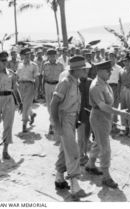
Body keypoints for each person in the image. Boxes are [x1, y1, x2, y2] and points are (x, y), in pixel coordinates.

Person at [85, 60, 130, 189]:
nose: (110, 72)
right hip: (99, 117)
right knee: (105, 148)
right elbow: (103, 106)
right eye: (108, 70)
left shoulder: (104, 83)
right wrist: (120, 113)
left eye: (110, 70)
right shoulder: (96, 86)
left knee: (98, 143)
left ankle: (90, 165)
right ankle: (106, 176)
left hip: (105, 118)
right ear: (100, 71)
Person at [50, 56, 90, 200]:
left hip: (71, 118)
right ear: (77, 70)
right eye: (84, 69)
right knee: (73, 150)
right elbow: (53, 104)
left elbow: (75, 103)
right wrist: (57, 125)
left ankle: (59, 178)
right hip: (64, 118)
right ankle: (75, 185)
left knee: (64, 149)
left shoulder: (75, 82)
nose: (86, 71)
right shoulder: (66, 82)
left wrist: (77, 119)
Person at [16, 48, 39, 132]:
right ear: (22, 56)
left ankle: (24, 124)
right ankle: (32, 114)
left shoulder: (34, 65)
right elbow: (17, 75)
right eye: (25, 55)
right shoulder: (19, 64)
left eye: (28, 55)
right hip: (20, 86)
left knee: (25, 105)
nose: (27, 56)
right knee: (23, 104)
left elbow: (37, 78)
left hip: (30, 85)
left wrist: (36, 90)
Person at [42, 49, 64, 135]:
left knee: (56, 106)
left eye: (53, 55)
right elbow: (43, 77)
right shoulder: (45, 65)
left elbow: (63, 78)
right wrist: (41, 89)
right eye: (50, 56)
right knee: (48, 106)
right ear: (48, 56)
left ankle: (52, 124)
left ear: (56, 56)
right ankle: (53, 122)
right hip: (47, 85)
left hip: (57, 86)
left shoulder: (60, 65)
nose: (52, 57)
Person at [77, 59, 92, 166]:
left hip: (90, 112)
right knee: (80, 136)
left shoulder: (91, 82)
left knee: (87, 135)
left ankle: (85, 153)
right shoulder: (75, 82)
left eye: (86, 70)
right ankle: (80, 155)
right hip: (78, 113)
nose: (85, 72)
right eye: (82, 70)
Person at [107, 50, 123, 133]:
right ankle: (109, 125)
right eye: (110, 56)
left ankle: (115, 125)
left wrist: (119, 91)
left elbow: (120, 80)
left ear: (116, 58)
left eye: (113, 57)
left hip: (116, 87)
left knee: (115, 106)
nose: (111, 58)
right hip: (107, 87)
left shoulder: (119, 68)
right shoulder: (106, 67)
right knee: (108, 106)